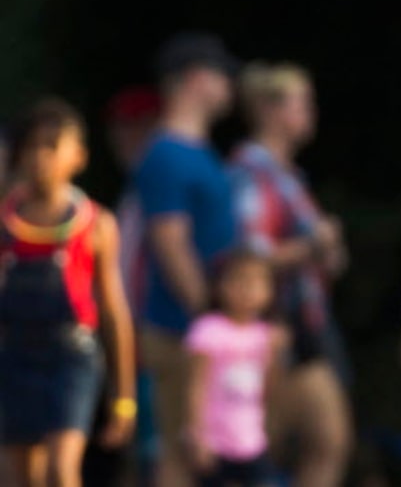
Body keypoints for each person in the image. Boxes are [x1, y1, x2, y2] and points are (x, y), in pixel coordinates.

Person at [0, 98, 137, 487]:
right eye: (30, 146)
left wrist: (123, 397)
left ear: (78, 156)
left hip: (71, 356)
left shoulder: (95, 224)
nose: (40, 157)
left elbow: (113, 311)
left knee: (62, 470)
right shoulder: (5, 222)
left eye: (51, 146)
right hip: (14, 355)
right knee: (17, 476)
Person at [227, 62, 351, 487]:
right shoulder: (251, 173)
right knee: (279, 445)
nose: (311, 114)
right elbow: (249, 256)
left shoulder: (287, 176)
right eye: (303, 103)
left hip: (305, 325)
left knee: (325, 441)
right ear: (269, 110)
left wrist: (325, 251)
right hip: (275, 328)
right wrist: (314, 245)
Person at [134, 32, 241, 487]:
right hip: (181, 331)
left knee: (208, 455)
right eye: (223, 75)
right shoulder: (166, 154)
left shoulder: (197, 151)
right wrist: (210, 317)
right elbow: (170, 243)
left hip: (200, 329)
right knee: (181, 457)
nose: (230, 87)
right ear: (197, 79)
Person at [86, 84, 164, 487]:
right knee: (137, 451)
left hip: (154, 337)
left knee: (157, 451)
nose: (121, 136)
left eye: (132, 126)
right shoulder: (134, 188)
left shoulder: (157, 184)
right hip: (130, 339)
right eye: (117, 127)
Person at [184, 247, 288, 487]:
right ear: (221, 285)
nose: (248, 290)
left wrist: (277, 353)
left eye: (256, 282)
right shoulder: (208, 330)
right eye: (240, 280)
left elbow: (268, 387)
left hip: (253, 441)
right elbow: (196, 386)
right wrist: (198, 436)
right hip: (216, 442)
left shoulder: (266, 335)